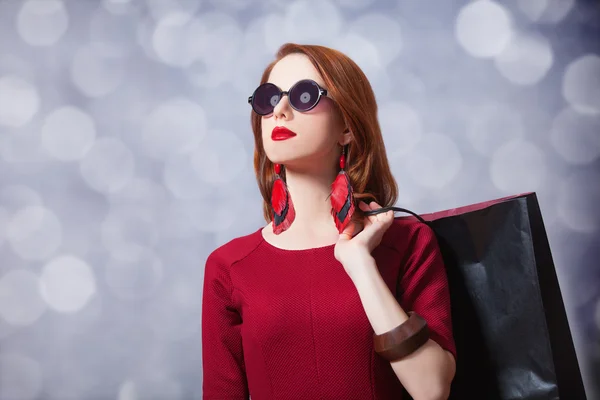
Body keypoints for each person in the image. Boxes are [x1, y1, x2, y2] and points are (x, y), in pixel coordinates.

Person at [202, 43, 456, 400]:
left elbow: (431, 389)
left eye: (305, 96)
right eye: (268, 98)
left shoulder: (408, 242)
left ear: (348, 128)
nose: (281, 110)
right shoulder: (228, 266)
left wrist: (360, 265)